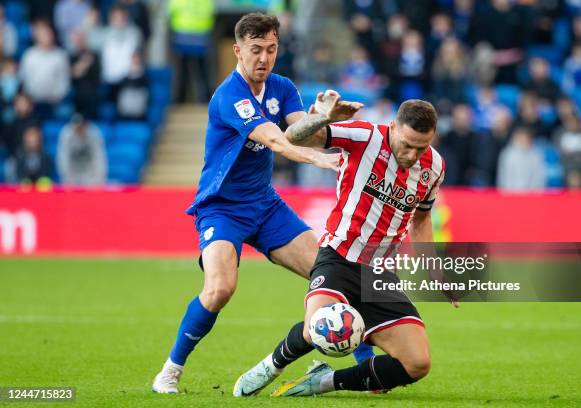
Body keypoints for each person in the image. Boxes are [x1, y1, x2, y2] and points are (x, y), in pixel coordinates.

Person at [151, 13, 374, 394]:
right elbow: (276, 140)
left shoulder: (282, 87)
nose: (263, 58)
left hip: (266, 206)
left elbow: (296, 128)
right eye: (255, 50)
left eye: (271, 50)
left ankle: (368, 370)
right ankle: (170, 370)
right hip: (221, 207)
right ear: (238, 50)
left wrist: (322, 118)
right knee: (220, 289)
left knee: (336, 277)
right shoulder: (228, 96)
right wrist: (319, 159)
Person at [234, 98, 453, 397]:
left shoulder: (435, 166)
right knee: (318, 329)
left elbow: (422, 218)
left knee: (417, 363)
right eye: (408, 144)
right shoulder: (364, 136)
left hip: (379, 275)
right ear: (392, 127)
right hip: (338, 258)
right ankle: (272, 365)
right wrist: (323, 117)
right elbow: (295, 137)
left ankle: (322, 382)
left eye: (422, 147)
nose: (413, 155)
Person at [56, 114, 106, 186]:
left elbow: (99, 158)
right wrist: (67, 180)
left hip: (90, 178)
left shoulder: (94, 133)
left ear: (86, 125)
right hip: (71, 178)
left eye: (81, 126)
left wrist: (98, 180)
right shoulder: (66, 133)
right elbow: (62, 158)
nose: (79, 129)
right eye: (77, 127)